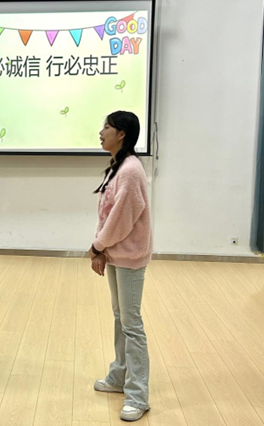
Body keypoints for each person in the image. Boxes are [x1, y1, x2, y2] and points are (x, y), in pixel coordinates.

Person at [89, 111, 152, 422]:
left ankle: (138, 396)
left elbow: (120, 220)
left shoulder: (129, 171)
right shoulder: (119, 166)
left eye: (107, 127)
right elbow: (107, 215)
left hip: (128, 256)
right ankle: (119, 376)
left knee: (131, 324)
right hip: (116, 254)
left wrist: (97, 246)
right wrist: (101, 247)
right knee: (121, 318)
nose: (101, 132)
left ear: (122, 134)